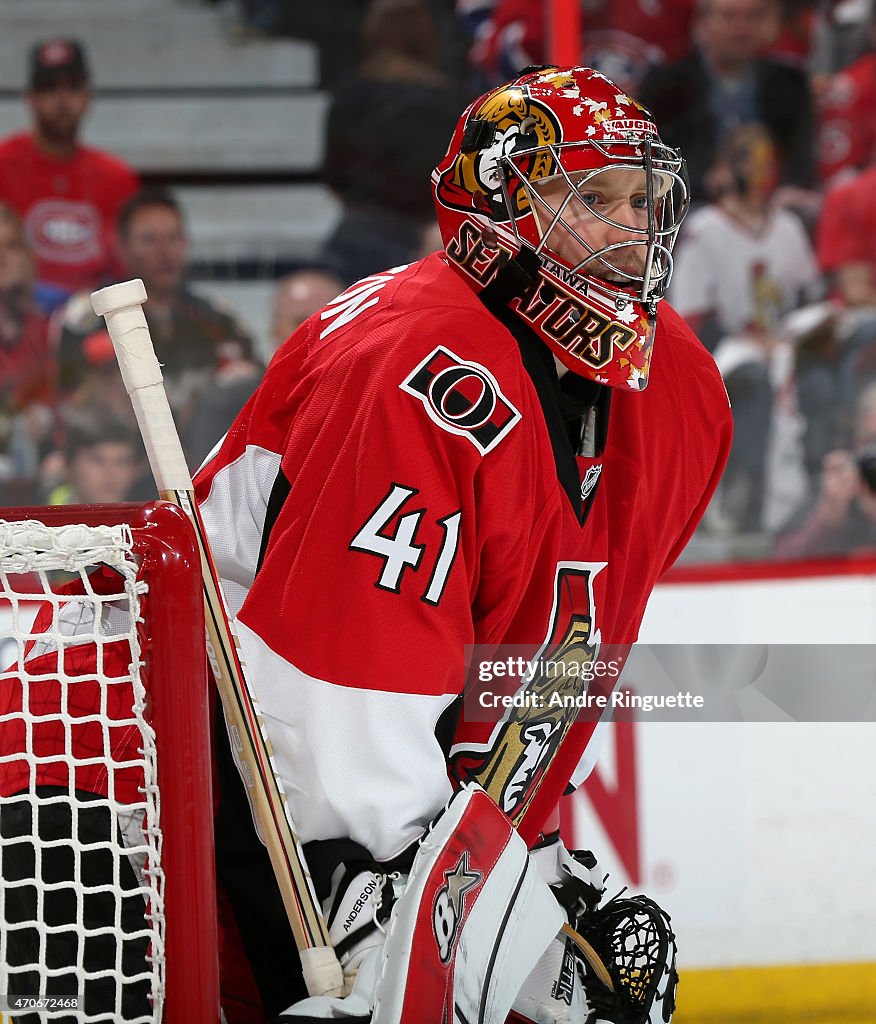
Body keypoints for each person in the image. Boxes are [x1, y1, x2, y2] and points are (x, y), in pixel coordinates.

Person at [194, 66, 731, 1021]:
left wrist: (523, 858)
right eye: (592, 198)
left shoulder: (683, 390)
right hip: (247, 789)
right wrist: (369, 887)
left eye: (643, 200)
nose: (633, 231)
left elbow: (558, 645)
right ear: (501, 204)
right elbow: (337, 664)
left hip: (415, 800)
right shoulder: (414, 366)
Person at [669, 123, 820, 531]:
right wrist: (746, 338)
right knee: (753, 380)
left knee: (819, 379)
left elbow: (809, 295)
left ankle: (809, 503)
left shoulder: (786, 226)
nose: (762, 173)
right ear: (730, 167)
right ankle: (743, 499)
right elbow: (690, 317)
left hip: (786, 342)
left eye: (768, 163)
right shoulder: (706, 230)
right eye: (752, 162)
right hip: (729, 350)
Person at [55, 188, 259, 461]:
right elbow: (69, 397)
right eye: (149, 240)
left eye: (173, 239)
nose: (165, 253)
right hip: (114, 468)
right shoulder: (91, 315)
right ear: (122, 247)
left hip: (201, 465)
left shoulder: (216, 318)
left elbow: (255, 386)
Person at [0, 39, 139, 312]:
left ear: (87, 97)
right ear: (31, 98)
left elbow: (127, 269)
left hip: (96, 320)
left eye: (73, 87)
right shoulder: (2, 164)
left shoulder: (116, 177)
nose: (63, 99)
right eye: (50, 87)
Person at [638, 0, 816, 202]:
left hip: (773, 205)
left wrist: (789, 188)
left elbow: (800, 160)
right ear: (702, 24)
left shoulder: (789, 82)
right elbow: (654, 164)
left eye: (751, 17)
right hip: (694, 204)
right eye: (728, 17)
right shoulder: (666, 86)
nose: (741, 28)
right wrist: (702, 183)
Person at [0, 204, 54, 504]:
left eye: (11, 245)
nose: (3, 257)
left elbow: (72, 398)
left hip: (42, 472)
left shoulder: (50, 328)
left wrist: (48, 415)